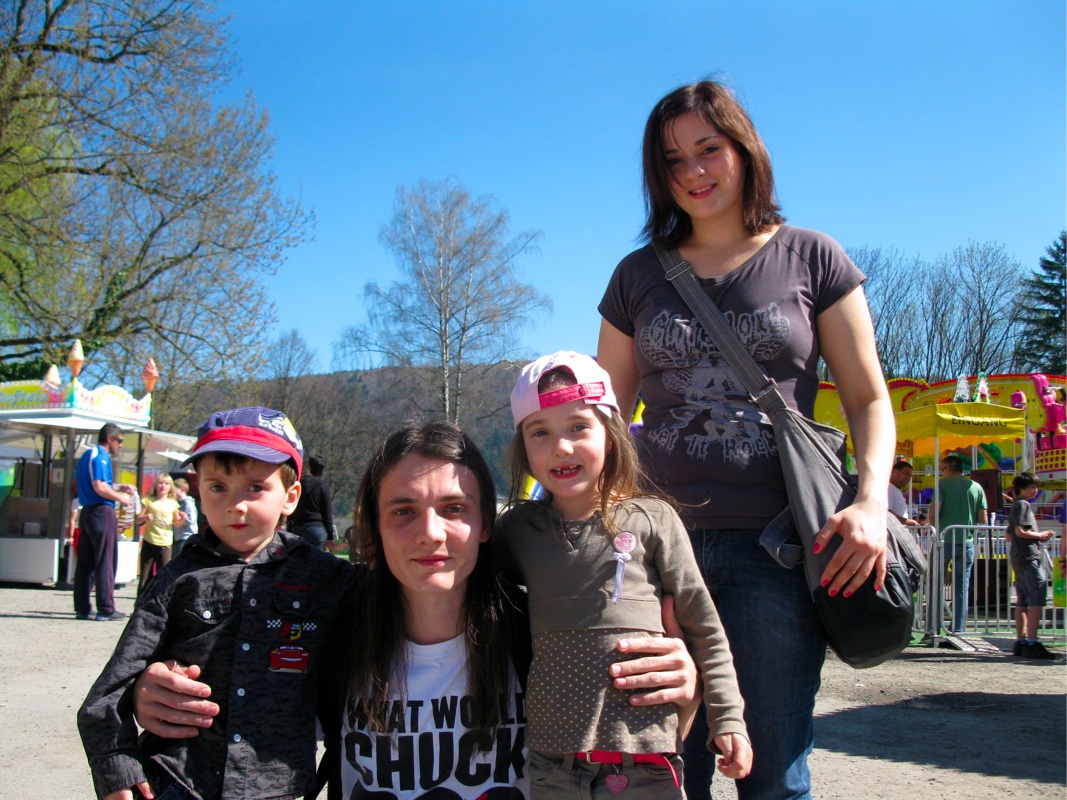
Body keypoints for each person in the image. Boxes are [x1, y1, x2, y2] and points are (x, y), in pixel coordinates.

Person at [130, 420, 703, 800]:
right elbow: (241, 701)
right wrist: (154, 694)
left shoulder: (543, 631)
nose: (431, 533)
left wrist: (685, 693)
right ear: (373, 530)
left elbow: (632, 752)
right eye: (402, 511)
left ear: (486, 525)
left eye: (454, 508)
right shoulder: (332, 625)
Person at [597, 80, 895, 800]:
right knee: (661, 771)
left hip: (775, 550)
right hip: (655, 553)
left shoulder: (812, 257)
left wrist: (870, 503)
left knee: (772, 773)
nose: (693, 172)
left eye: (709, 149)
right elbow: (606, 416)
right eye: (673, 160)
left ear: (744, 149)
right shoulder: (636, 275)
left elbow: (867, 399)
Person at [500, 351, 751, 797]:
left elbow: (705, 629)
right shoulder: (517, 531)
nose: (561, 447)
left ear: (611, 435)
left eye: (579, 426)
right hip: (552, 769)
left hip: (648, 767)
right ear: (523, 448)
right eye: (540, 432)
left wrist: (728, 717)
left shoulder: (654, 520)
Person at [78, 406, 353, 800]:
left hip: (276, 785)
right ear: (198, 490)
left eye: (254, 488)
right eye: (218, 487)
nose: (234, 504)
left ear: (290, 497)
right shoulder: (178, 577)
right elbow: (111, 687)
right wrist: (116, 765)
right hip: (179, 779)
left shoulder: (325, 576)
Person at [74, 423, 135, 622]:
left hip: (87, 511)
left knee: (85, 563)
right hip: (102, 511)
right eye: (119, 441)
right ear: (110, 439)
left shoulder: (87, 455)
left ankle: (82, 608)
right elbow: (99, 486)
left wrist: (119, 486)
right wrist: (121, 497)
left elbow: (97, 484)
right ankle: (106, 608)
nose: (120, 445)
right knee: (106, 560)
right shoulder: (101, 456)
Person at [1006, 472, 1058, 659]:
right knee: (1037, 599)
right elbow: (1020, 531)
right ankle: (1032, 642)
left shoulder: (1015, 505)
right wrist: (1040, 535)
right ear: (1022, 488)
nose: (1035, 490)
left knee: (1022, 601)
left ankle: (1021, 641)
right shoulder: (1023, 505)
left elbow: (1009, 535)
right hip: (1029, 558)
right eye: (1032, 487)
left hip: (1019, 558)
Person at [937, 453, 988, 633]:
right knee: (961, 587)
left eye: (943, 469)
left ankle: (933, 627)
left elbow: (934, 513)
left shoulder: (942, 485)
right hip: (967, 541)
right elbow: (983, 518)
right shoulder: (976, 487)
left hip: (944, 539)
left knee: (936, 584)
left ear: (948, 468)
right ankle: (958, 628)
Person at [135, 473, 179, 596]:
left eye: (166, 484)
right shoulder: (149, 501)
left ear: (170, 487)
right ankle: (141, 601)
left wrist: (182, 519)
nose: (163, 486)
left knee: (163, 574)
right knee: (145, 575)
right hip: (150, 541)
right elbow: (138, 520)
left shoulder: (173, 503)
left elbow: (177, 523)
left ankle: (160, 600)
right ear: (155, 485)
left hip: (165, 543)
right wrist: (145, 517)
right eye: (160, 483)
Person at [288, 454, 335, 550]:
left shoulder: (299, 483)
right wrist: (330, 535)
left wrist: (290, 525)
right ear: (322, 470)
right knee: (317, 558)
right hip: (316, 528)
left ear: (309, 468)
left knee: (296, 557)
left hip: (297, 526)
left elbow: (291, 502)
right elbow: (327, 512)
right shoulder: (322, 485)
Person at [171, 477, 198, 559]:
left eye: (174, 489)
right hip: (179, 537)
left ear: (182, 489)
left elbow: (191, 520)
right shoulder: (178, 503)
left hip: (186, 537)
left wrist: (179, 519)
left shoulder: (188, 503)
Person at [888, 460, 919, 526]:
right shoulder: (889, 488)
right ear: (895, 472)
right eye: (906, 474)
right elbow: (886, 513)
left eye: (910, 476)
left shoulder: (895, 488)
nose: (908, 478)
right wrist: (906, 521)